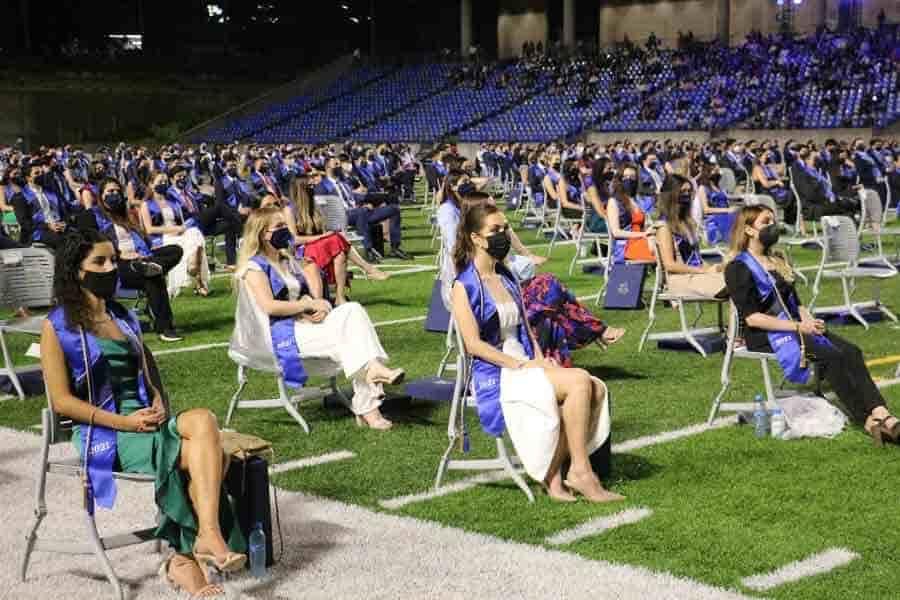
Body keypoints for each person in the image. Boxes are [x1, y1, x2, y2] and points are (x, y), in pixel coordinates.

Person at [39, 229, 246, 598]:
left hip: (147, 422)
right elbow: (61, 402)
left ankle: (203, 539)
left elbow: (145, 371)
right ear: (75, 270)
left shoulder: (122, 315)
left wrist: (157, 400)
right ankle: (188, 557)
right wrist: (126, 422)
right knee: (213, 457)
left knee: (203, 419)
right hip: (106, 431)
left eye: (113, 260)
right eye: (99, 262)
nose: (110, 268)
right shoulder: (58, 326)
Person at [451, 202, 622, 503]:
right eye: (495, 230)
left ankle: (557, 473)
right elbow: (472, 344)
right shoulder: (463, 285)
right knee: (580, 381)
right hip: (497, 370)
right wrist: (520, 365)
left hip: (525, 359)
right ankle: (580, 472)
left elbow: (527, 329)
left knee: (594, 386)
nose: (503, 234)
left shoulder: (506, 277)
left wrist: (540, 358)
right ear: (476, 238)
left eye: (505, 228)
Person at [725, 205, 900, 446]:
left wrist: (807, 319)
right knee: (831, 357)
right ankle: (869, 422)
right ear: (749, 230)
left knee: (851, 352)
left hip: (797, 327)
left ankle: (883, 414)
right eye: (766, 222)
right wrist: (798, 328)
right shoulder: (738, 267)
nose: (773, 225)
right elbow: (752, 318)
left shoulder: (777, 259)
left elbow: (796, 303)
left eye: (774, 220)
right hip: (765, 334)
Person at [236, 207, 404, 430]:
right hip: (280, 333)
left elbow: (305, 295)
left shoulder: (286, 260)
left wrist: (321, 307)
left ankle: (371, 377)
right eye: (279, 227)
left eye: (285, 225)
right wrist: (307, 305)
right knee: (351, 338)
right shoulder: (253, 267)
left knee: (352, 310)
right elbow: (269, 306)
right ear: (263, 234)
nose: (286, 230)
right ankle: (368, 402)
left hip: (304, 323)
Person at [95, 179, 184, 342]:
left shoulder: (128, 216)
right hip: (119, 265)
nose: (114, 194)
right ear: (101, 196)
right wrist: (119, 254)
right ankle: (165, 327)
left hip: (143, 258)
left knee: (175, 250)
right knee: (152, 278)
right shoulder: (97, 217)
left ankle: (153, 266)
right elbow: (95, 246)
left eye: (116, 191)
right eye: (109, 191)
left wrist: (146, 254)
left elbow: (145, 239)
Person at [289, 178, 388, 305]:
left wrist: (324, 236)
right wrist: (320, 238)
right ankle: (367, 269)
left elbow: (324, 230)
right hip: (303, 250)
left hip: (320, 246)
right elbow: (293, 239)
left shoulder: (315, 206)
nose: (314, 188)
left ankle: (339, 297)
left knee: (339, 247)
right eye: (310, 186)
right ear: (301, 190)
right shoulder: (290, 210)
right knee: (336, 240)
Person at [140, 172, 210, 297]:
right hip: (161, 237)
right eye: (160, 181)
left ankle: (194, 269)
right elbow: (149, 229)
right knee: (185, 240)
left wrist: (182, 228)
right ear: (151, 184)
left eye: (165, 181)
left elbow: (183, 220)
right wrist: (172, 230)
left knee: (195, 233)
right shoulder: (146, 204)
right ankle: (196, 277)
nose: (164, 184)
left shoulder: (173, 200)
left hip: (179, 231)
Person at [656, 178, 725, 298]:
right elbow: (669, 265)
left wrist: (713, 268)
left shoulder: (687, 222)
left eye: (689, 191)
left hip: (697, 275)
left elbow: (696, 257)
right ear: (671, 195)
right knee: (735, 284)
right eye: (682, 191)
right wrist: (703, 271)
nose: (687, 195)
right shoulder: (664, 226)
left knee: (737, 278)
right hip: (681, 279)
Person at [11, 159, 68, 248]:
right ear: (28, 178)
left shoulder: (51, 191)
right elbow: (25, 223)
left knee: (79, 236)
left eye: (42, 172)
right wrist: (48, 226)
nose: (41, 175)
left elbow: (64, 211)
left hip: (58, 226)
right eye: (37, 173)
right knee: (63, 241)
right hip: (38, 231)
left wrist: (64, 222)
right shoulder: (20, 197)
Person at [606, 166, 655, 263]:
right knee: (658, 247)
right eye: (625, 177)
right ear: (619, 179)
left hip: (642, 238)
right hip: (625, 245)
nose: (629, 180)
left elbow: (646, 223)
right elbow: (616, 232)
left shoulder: (638, 201)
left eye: (632, 177)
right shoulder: (614, 201)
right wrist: (642, 234)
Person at [696, 164, 737, 245]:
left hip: (726, 213)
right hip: (714, 218)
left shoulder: (718, 187)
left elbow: (726, 202)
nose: (719, 173)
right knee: (728, 220)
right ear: (708, 173)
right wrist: (727, 210)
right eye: (716, 171)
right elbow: (706, 210)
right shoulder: (703, 188)